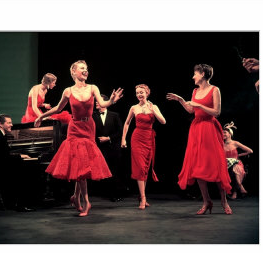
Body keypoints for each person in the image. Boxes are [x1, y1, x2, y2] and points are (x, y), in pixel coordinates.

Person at [34, 60, 123, 217]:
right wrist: (41, 116)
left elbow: (103, 102)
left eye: (87, 68)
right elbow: (57, 108)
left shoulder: (93, 87)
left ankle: (76, 197)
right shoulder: (68, 91)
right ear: (73, 72)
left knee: (81, 165)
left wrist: (111, 101)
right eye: (82, 68)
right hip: (74, 129)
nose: (85, 70)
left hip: (88, 128)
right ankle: (86, 201)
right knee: (79, 164)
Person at [166, 64, 233, 215]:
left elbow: (217, 112)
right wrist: (181, 100)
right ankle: (206, 201)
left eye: (195, 74)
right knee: (197, 166)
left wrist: (199, 104)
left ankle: (224, 201)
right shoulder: (195, 91)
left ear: (202, 74)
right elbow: (191, 109)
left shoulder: (215, 90)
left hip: (210, 128)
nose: (193, 77)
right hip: (196, 130)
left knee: (215, 165)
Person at [121, 84, 166, 210]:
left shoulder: (153, 106)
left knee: (145, 168)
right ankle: (143, 198)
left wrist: (154, 110)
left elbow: (163, 121)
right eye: (137, 93)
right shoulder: (134, 108)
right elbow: (127, 123)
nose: (139, 95)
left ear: (147, 93)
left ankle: (142, 196)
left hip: (149, 139)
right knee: (140, 167)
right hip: (137, 138)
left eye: (141, 92)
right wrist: (123, 139)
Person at [0, 114, 34, 211]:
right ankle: (19, 205)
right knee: (23, 174)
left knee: (20, 170)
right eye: (8, 123)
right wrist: (20, 156)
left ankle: (13, 203)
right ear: (0, 124)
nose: (11, 125)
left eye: (11, 122)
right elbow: (4, 156)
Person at [93, 94, 125, 202]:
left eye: (98, 101)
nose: (96, 102)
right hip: (98, 148)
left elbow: (120, 131)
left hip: (113, 147)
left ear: (105, 102)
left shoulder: (114, 115)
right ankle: (102, 193)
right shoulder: (93, 115)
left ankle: (115, 193)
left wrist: (108, 138)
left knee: (114, 170)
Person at [223, 121, 253, 199]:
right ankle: (241, 187)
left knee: (236, 168)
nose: (223, 134)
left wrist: (239, 155)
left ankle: (235, 192)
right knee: (233, 169)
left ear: (230, 134)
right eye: (222, 133)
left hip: (236, 163)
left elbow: (250, 151)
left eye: (225, 132)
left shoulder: (235, 143)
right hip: (225, 165)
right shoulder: (221, 144)